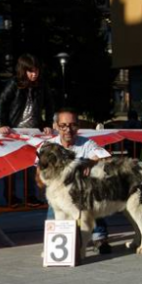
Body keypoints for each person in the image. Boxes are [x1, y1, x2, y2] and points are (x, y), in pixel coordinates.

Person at [42, 107, 114, 254]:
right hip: (59, 194)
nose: (68, 129)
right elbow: (38, 172)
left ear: (78, 126)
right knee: (54, 215)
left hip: (84, 193)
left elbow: (106, 157)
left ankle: (99, 237)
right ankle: (55, 247)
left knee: (94, 201)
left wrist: (90, 162)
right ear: (55, 126)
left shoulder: (86, 143)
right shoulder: (47, 147)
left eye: (73, 125)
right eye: (63, 125)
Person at [0, 53, 54, 207]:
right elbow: (2, 103)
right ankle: (11, 197)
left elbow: (50, 104)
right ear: (23, 71)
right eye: (30, 71)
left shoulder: (42, 85)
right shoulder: (14, 84)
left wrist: (48, 123)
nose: (34, 74)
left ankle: (30, 196)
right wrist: (2, 123)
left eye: (36, 71)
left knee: (31, 164)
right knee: (12, 165)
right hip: (13, 131)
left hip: (33, 132)